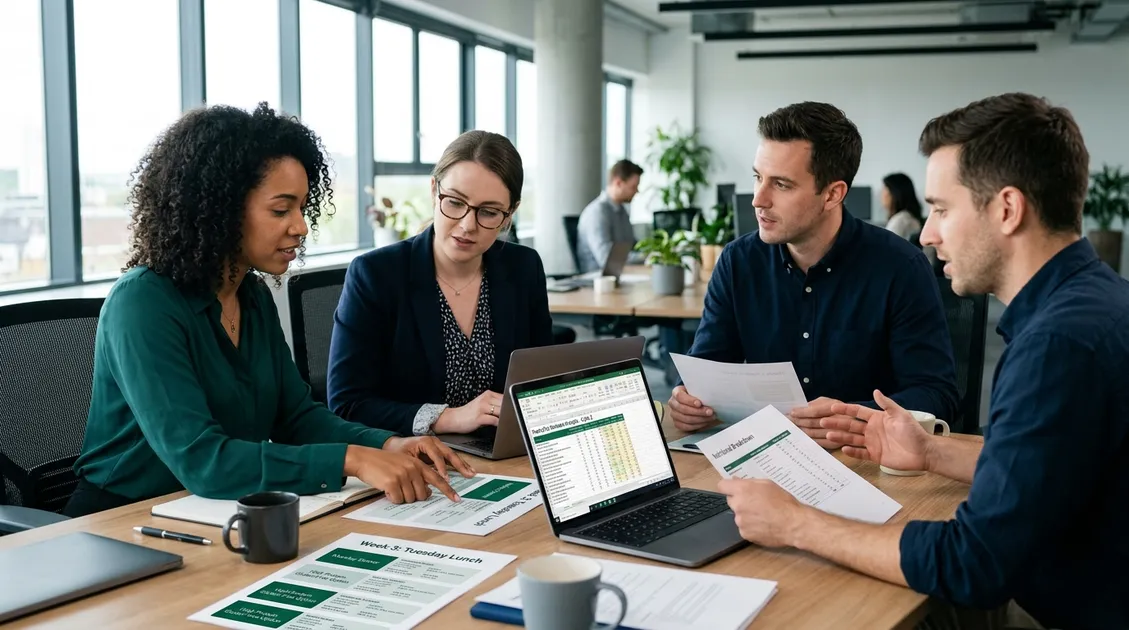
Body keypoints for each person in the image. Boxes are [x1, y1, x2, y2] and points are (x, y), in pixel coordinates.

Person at [718, 93, 1129, 629]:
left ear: (1007, 209)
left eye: (940, 209)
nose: (929, 234)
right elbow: (1045, 469)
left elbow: (974, 563)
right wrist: (934, 453)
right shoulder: (1100, 302)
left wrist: (797, 524)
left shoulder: (1056, 345)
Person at [65, 104, 472, 518]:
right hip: (121, 519)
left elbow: (295, 417)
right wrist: (352, 460)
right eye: (281, 210)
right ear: (221, 209)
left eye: (301, 207)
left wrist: (386, 444)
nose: (300, 226)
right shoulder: (142, 303)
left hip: (214, 511)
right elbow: (203, 461)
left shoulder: (251, 294)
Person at [667, 102, 959, 448]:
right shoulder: (738, 262)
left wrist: (849, 415)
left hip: (868, 461)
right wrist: (689, 402)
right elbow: (707, 372)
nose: (758, 200)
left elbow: (936, 396)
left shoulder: (900, 267)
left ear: (833, 194)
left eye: (782, 185)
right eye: (758, 177)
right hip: (762, 459)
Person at [327, 130, 554, 437]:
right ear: (434, 190)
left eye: (488, 212)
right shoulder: (376, 275)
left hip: (502, 456)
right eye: (456, 202)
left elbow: (540, 380)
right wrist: (449, 418)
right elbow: (347, 403)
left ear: (509, 213)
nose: (467, 225)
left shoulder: (523, 268)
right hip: (414, 460)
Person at [576, 159, 643, 273]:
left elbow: (632, 245)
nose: (637, 191)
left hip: (621, 275)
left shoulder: (622, 211)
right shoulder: (597, 212)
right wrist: (644, 256)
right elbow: (606, 259)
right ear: (618, 183)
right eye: (633, 187)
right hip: (598, 281)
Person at [881, 172, 924, 240]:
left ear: (894, 193)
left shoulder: (900, 221)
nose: (882, 196)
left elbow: (887, 249)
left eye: (884, 190)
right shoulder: (907, 217)